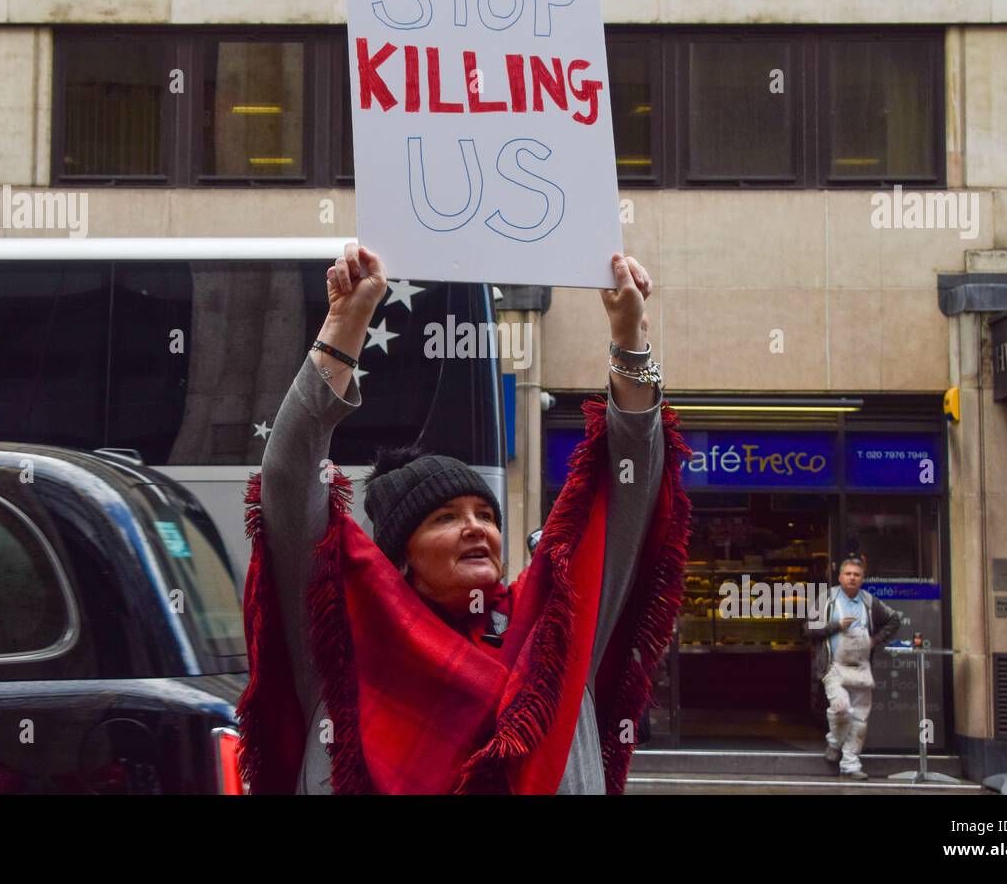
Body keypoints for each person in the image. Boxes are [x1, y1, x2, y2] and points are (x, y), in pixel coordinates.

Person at [236, 241, 693, 794]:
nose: (477, 528)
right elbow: (287, 479)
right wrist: (344, 322)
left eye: (485, 514)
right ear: (400, 555)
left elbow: (630, 488)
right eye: (445, 517)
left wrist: (629, 336)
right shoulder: (341, 645)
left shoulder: (557, 633)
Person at [804, 557, 903, 780]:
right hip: (833, 667)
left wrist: (875, 640)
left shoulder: (869, 601)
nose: (852, 578)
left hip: (861, 668)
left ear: (862, 579)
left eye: (856, 575)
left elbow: (894, 620)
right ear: (839, 577)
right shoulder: (827, 599)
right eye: (848, 574)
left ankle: (850, 764)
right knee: (840, 708)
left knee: (859, 719)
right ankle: (834, 742)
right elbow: (809, 628)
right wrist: (836, 626)